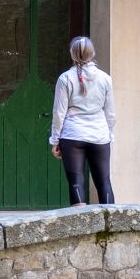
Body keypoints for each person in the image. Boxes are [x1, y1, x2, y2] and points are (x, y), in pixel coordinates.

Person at [49, 36, 116, 206]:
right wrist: (109, 135)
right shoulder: (105, 78)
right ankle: (112, 226)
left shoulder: (65, 78)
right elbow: (111, 113)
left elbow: (59, 113)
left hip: (72, 135)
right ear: (92, 54)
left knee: (76, 182)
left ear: (72, 55)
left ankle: (80, 226)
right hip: (100, 135)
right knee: (104, 182)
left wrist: (55, 139)